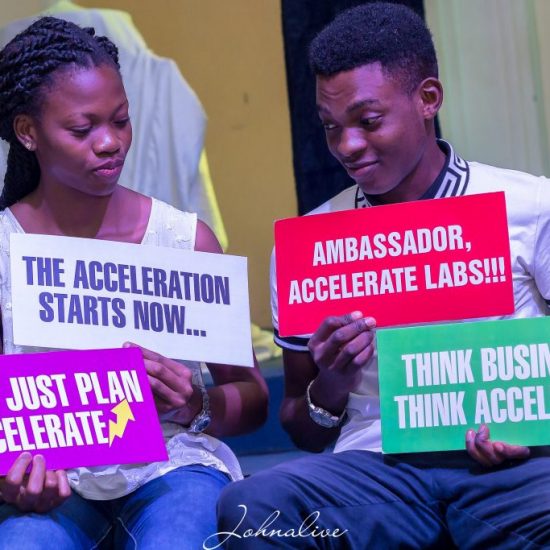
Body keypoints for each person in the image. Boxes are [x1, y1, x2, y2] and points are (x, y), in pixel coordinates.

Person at [216, 3, 550, 549]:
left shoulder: (528, 206)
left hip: (514, 469)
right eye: (330, 126)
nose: (346, 145)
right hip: (378, 472)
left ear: (428, 98)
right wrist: (332, 382)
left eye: (368, 121)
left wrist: (533, 429)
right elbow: (301, 426)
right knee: (252, 506)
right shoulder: (311, 243)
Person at [0, 16, 268, 550]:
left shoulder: (185, 241)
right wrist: (8, 472)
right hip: (51, 483)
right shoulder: (6, 248)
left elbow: (254, 398)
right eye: (82, 129)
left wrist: (194, 405)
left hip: (171, 467)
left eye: (121, 120)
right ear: (27, 132)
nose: (110, 143)